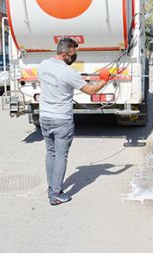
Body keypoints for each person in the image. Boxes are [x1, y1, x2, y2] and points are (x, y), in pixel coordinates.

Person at [38, 37, 110, 206]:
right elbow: (91, 90)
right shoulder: (68, 73)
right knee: (61, 155)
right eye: (73, 54)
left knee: (50, 153)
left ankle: (51, 188)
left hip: (45, 117)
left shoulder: (43, 65)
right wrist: (104, 79)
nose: (74, 56)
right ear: (64, 54)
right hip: (61, 120)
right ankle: (56, 193)